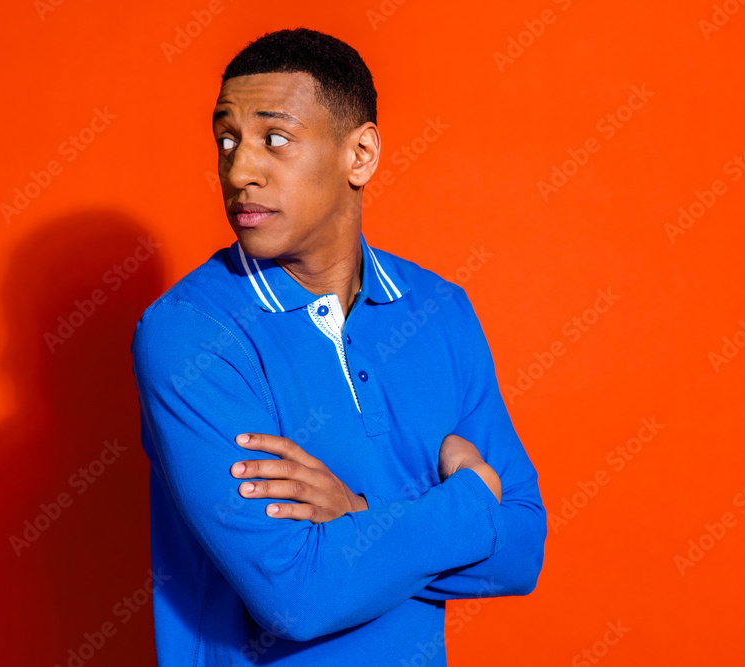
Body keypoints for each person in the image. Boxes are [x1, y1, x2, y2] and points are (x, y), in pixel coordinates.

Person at [129, 27, 547, 666]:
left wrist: (356, 513)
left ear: (361, 155)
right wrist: (466, 508)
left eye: (275, 139)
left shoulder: (440, 310)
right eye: (226, 140)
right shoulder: (190, 334)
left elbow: (523, 551)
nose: (239, 170)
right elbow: (297, 596)